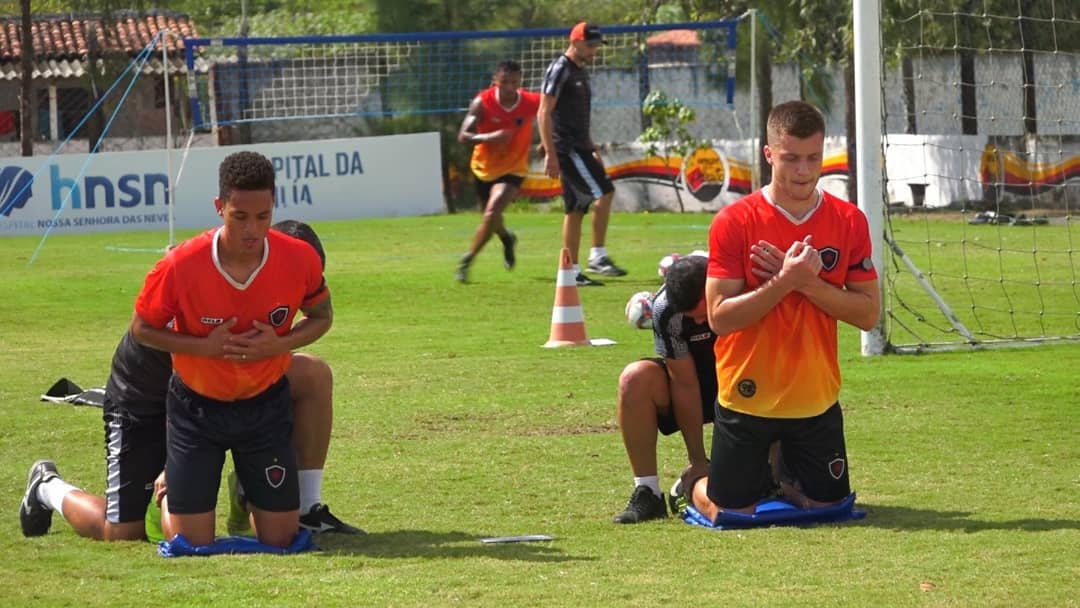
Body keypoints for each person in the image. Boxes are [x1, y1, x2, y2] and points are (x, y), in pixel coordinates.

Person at [18, 220, 361, 542]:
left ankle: (304, 507)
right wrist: (173, 466)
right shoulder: (204, 276)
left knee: (313, 375)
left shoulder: (287, 278)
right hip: (149, 399)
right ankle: (47, 487)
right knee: (122, 532)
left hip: (221, 392)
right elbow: (183, 382)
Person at [688, 100, 881, 521]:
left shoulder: (849, 221)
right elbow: (719, 318)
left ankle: (785, 474)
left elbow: (868, 315)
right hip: (747, 397)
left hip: (814, 401)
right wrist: (784, 283)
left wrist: (806, 282)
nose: (803, 170)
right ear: (769, 153)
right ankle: (697, 482)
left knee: (831, 509)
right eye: (791, 158)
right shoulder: (734, 221)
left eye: (813, 158)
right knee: (729, 513)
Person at [135, 150, 329, 548]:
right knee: (192, 544)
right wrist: (203, 348)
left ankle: (247, 489)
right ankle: (171, 485)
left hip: (264, 405)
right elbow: (142, 329)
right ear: (219, 207)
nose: (252, 230)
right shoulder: (180, 264)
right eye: (240, 216)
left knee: (282, 540)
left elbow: (322, 316)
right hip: (197, 407)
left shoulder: (298, 258)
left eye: (263, 216)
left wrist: (281, 343)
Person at [612, 255, 715, 523]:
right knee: (634, 380)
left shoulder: (738, 289)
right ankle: (648, 492)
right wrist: (698, 460)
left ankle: (772, 472)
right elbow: (685, 383)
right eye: (694, 317)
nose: (702, 322)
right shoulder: (664, 309)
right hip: (692, 380)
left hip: (741, 380)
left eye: (704, 313)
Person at [538, 21, 627, 287]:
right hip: (567, 148)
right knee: (600, 193)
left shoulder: (580, 72)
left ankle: (574, 268)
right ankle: (592, 258)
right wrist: (551, 154)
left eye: (596, 46)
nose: (593, 51)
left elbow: (579, 117)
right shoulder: (560, 69)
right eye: (589, 45)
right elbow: (544, 112)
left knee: (577, 206)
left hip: (580, 146)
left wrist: (591, 147)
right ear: (574, 42)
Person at [455, 60, 541, 284]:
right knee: (491, 218)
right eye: (504, 82)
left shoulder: (531, 101)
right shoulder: (482, 102)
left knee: (492, 212)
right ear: (495, 81)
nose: (509, 88)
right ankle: (507, 238)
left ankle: (467, 260)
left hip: (514, 168)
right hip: (483, 168)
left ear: (520, 82)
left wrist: (549, 145)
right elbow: (464, 136)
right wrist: (490, 137)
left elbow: (551, 113)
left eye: (514, 82)